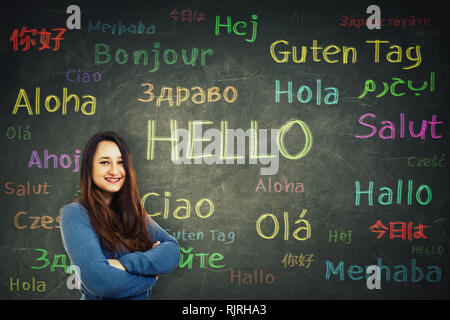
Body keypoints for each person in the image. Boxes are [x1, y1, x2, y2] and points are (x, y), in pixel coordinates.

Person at [60, 131, 180, 300]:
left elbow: (172, 250)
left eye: (121, 162)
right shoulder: (75, 213)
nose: (114, 170)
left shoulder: (132, 211)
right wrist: (152, 274)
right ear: (89, 166)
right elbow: (101, 281)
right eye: (104, 162)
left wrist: (126, 264)